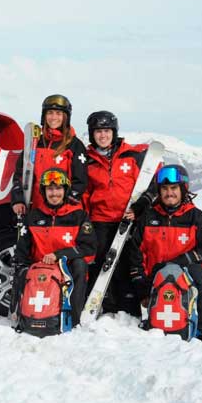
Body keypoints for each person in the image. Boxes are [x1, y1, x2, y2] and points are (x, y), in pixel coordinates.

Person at [128, 164, 202, 342]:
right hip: (154, 277)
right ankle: (153, 320)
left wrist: (180, 261)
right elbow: (135, 252)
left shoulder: (196, 217)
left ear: (183, 189)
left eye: (174, 188)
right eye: (165, 189)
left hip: (186, 276)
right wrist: (142, 287)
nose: (169, 193)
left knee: (197, 272)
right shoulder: (148, 217)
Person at [81, 110, 157, 316]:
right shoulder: (87, 161)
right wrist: (85, 220)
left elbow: (154, 182)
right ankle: (103, 303)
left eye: (106, 131)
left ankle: (129, 305)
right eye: (98, 131)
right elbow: (85, 194)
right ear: (91, 134)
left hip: (128, 218)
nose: (102, 135)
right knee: (100, 262)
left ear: (114, 132)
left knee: (128, 263)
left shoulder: (132, 155)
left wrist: (141, 206)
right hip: (100, 220)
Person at [12, 168, 96, 326]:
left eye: (58, 188)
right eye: (50, 189)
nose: (54, 193)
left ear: (65, 191)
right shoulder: (32, 217)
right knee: (21, 268)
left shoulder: (79, 216)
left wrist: (59, 255)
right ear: (43, 192)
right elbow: (22, 250)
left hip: (66, 270)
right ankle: (23, 315)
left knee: (80, 264)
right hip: (40, 271)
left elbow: (89, 248)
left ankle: (73, 319)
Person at [11, 94, 88, 216]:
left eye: (58, 113)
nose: (53, 117)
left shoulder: (74, 145)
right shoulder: (35, 143)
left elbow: (80, 180)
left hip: (64, 210)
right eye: (50, 112)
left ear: (65, 117)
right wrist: (18, 199)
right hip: (37, 208)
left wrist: (66, 202)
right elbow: (20, 174)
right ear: (44, 116)